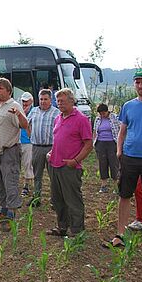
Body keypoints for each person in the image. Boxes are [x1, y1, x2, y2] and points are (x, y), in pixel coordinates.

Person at [105, 69, 142, 259]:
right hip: (130, 157)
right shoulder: (128, 106)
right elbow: (123, 130)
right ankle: (119, 235)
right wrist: (119, 150)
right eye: (137, 82)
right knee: (124, 195)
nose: (140, 86)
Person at [0, 78, 28, 231]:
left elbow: (24, 125)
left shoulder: (14, 106)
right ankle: (3, 211)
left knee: (10, 183)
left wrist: (19, 114)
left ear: (9, 91)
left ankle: (11, 217)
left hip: (10, 152)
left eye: (1, 88)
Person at [46, 88, 92, 237]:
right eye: (58, 101)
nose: (60, 104)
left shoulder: (81, 119)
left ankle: (77, 231)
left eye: (63, 101)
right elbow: (58, 140)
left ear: (72, 101)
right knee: (57, 200)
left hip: (70, 167)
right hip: (54, 165)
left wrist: (76, 160)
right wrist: (51, 153)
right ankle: (62, 227)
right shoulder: (58, 118)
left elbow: (88, 144)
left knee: (73, 200)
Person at [26, 89, 60, 207]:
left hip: (51, 148)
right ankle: (36, 198)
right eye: (41, 99)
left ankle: (55, 200)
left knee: (53, 176)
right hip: (36, 147)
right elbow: (26, 124)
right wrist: (30, 135)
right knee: (37, 174)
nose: (43, 101)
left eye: (46, 99)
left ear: (51, 100)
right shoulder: (34, 111)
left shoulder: (56, 113)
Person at [93, 103, 120, 193]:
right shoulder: (97, 119)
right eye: (100, 113)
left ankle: (116, 185)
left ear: (107, 111)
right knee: (102, 164)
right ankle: (104, 185)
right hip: (100, 143)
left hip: (112, 143)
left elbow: (121, 129)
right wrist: (94, 143)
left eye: (103, 113)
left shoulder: (114, 118)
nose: (102, 115)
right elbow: (95, 131)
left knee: (114, 163)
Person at [19, 92, 34, 197]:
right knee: (16, 164)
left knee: (28, 164)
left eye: (26, 101)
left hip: (29, 142)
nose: (24, 103)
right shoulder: (19, 110)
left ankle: (27, 185)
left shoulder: (34, 111)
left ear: (31, 101)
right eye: (23, 101)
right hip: (17, 141)